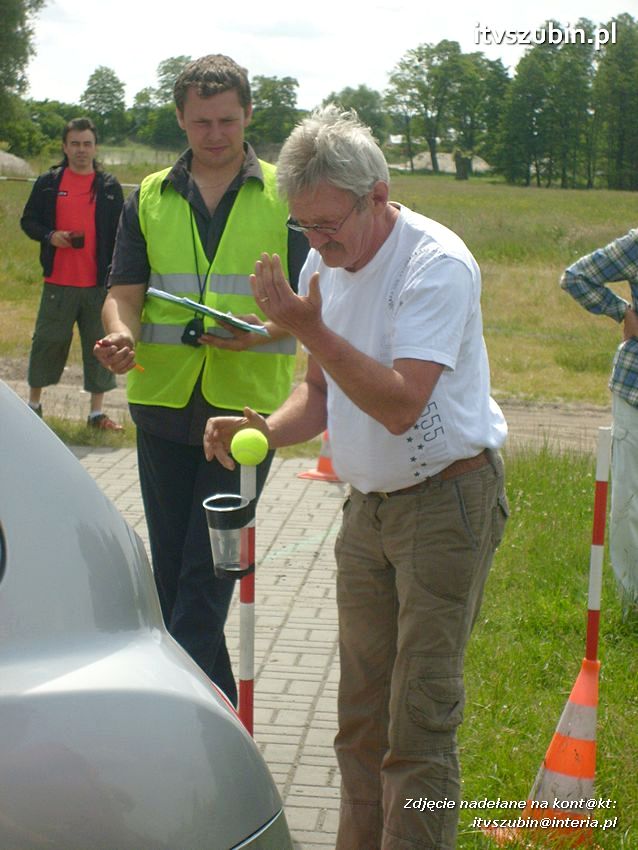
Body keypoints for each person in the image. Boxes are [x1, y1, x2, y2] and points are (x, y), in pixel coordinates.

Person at [204, 105, 509, 850]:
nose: (316, 242)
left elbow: (402, 404)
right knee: (359, 720)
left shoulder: (437, 264)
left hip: (447, 504)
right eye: (304, 226)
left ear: (377, 194)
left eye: (328, 223)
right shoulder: (322, 262)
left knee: (419, 721)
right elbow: (320, 392)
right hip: (366, 513)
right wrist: (265, 431)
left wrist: (310, 328)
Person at [93, 55, 308, 706]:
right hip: (162, 404)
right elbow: (122, 293)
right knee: (174, 583)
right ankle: (217, 717)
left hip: (246, 420)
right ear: (181, 119)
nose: (214, 134)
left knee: (203, 580)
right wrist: (121, 334)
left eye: (227, 120)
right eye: (200, 121)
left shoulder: (288, 195)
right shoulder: (150, 195)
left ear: (248, 116)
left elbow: (313, 306)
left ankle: (182, 719)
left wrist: (263, 331)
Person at [20, 117, 124, 429]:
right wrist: (50, 235)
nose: (81, 150)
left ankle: (96, 415)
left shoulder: (108, 186)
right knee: (47, 343)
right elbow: (28, 221)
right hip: (58, 283)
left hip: (97, 285)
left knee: (100, 347)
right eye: (75, 144)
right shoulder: (48, 183)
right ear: (65, 147)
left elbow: (122, 233)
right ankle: (34, 407)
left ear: (95, 147)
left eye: (87, 144)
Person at [561, 231, 638, 615]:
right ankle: (633, 606)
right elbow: (576, 277)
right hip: (635, 391)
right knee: (630, 503)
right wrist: (624, 312)